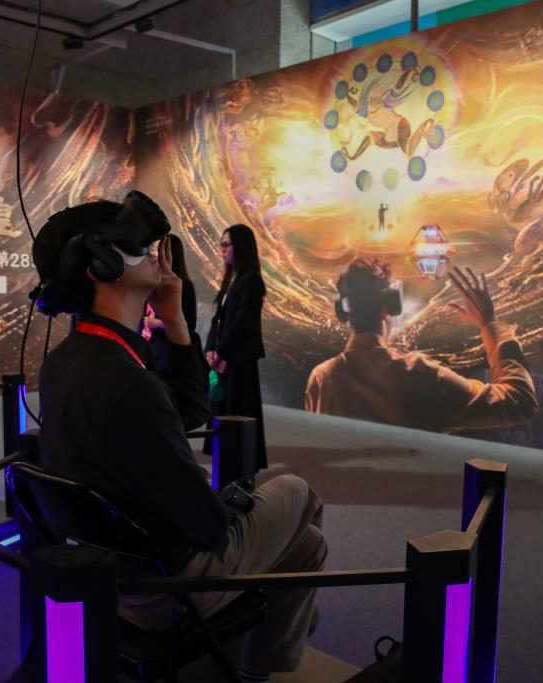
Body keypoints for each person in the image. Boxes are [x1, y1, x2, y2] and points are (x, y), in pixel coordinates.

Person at [33, 197, 325, 682]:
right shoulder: (127, 384)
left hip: (106, 567)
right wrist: (230, 505)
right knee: (296, 492)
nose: (155, 253)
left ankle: (265, 660)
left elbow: (189, 413)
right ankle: (265, 660)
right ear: (100, 266)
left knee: (308, 544)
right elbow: (210, 528)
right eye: (136, 247)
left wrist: (175, 322)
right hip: (165, 588)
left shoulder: (71, 360)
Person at [305, 258, 539, 432]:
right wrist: (490, 324)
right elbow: (520, 402)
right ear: (390, 304)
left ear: (342, 311)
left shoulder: (321, 380)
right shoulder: (419, 375)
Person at [204, 224, 268, 470]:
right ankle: (225, 465)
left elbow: (242, 322)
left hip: (239, 360)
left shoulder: (251, 281)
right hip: (224, 359)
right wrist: (210, 349)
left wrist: (220, 351)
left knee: (238, 412)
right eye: (221, 245)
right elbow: (218, 319)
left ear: (240, 247)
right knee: (222, 411)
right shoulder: (232, 279)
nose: (222, 250)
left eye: (226, 245)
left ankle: (239, 470)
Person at [143, 233, 197, 381]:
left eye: (158, 250)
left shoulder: (184, 286)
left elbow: (189, 325)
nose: (155, 256)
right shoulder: (152, 283)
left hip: (167, 354)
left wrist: (159, 323)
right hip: (151, 350)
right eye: (153, 250)